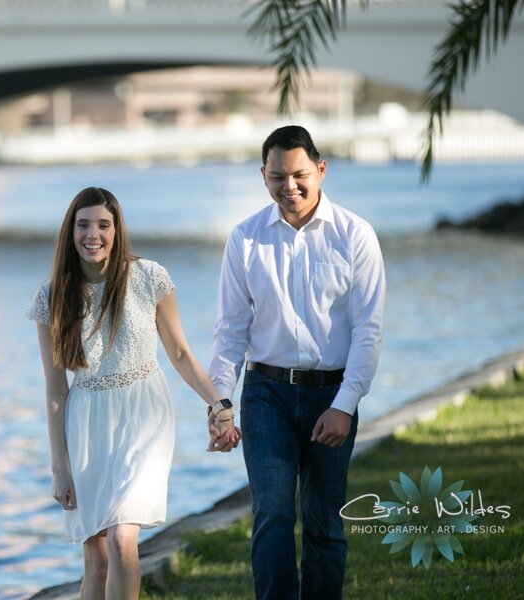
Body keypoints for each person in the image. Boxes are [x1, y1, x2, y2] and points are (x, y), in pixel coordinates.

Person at [28, 186, 241, 599]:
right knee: (96, 556)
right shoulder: (52, 297)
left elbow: (179, 352)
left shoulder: (149, 278)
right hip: (86, 424)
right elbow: (56, 390)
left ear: (117, 229)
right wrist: (60, 467)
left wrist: (219, 403)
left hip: (145, 416)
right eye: (84, 225)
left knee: (123, 537)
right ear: (69, 232)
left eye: (103, 225)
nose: (94, 235)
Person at [209, 126, 386, 599]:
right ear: (262, 177)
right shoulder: (245, 239)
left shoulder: (356, 236)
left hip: (332, 392)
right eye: (277, 177)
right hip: (266, 394)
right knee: (272, 511)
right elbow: (230, 332)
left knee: (325, 519)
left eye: (300, 175)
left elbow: (369, 331)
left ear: (321, 170)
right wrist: (220, 402)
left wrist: (345, 405)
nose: (289, 187)